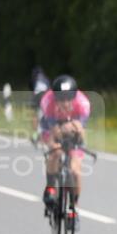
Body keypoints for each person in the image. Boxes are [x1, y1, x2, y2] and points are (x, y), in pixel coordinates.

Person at [39, 75, 91, 222]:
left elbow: (81, 133)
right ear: (55, 97)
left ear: (74, 97)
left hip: (74, 129)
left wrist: (75, 132)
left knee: (75, 170)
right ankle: (50, 188)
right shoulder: (48, 101)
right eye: (61, 99)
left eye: (69, 98)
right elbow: (54, 131)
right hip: (51, 126)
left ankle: (74, 208)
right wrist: (60, 134)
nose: (65, 102)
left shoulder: (83, 103)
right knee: (55, 151)